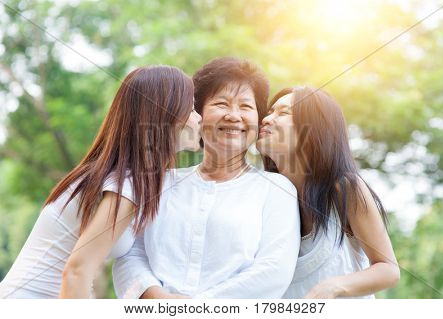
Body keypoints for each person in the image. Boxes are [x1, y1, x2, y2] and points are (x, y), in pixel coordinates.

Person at [0, 65, 202, 298]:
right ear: (168, 115)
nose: (199, 118)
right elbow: (77, 271)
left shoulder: (119, 177)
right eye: (193, 108)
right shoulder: (127, 184)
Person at [112, 57, 301, 299]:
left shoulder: (276, 189)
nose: (234, 116)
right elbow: (130, 253)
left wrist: (195, 308)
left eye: (245, 107)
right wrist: (157, 298)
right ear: (198, 114)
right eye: (222, 104)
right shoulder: (159, 182)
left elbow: (274, 270)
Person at [256, 86, 400, 298]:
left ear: (313, 129)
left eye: (283, 113)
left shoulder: (344, 188)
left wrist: (333, 287)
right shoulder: (263, 197)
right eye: (270, 112)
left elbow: (388, 269)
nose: (266, 119)